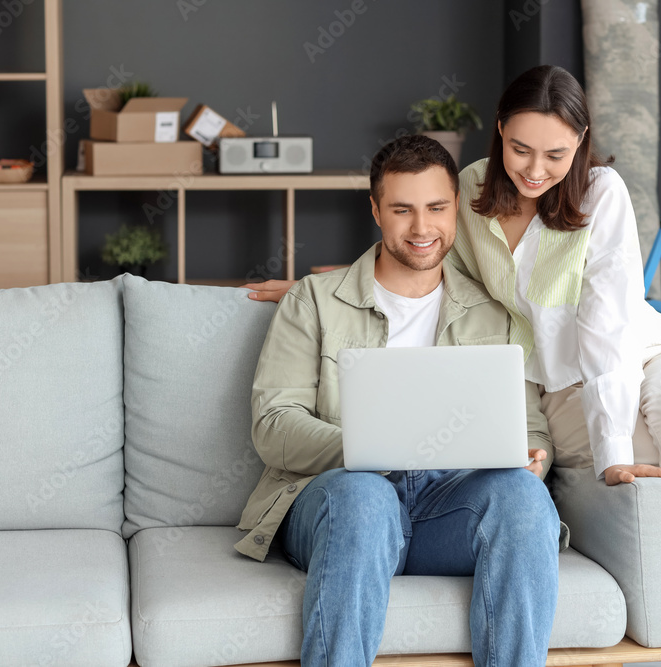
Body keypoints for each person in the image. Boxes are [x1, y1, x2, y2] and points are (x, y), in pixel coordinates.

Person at [243, 66, 661, 667]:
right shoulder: (447, 210)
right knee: (367, 500)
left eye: (554, 153)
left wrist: (552, 456)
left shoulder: (583, 211)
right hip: (375, 482)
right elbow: (276, 423)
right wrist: (370, 438)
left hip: (620, 362)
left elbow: (590, 349)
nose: (534, 168)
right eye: (521, 148)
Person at [234, 134, 561, 667]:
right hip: (339, 500)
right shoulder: (314, 301)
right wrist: (367, 449)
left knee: (524, 500)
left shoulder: (493, 314)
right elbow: (274, 425)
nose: (422, 228)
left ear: (456, 207)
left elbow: (532, 431)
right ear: (376, 212)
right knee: (366, 497)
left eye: (436, 208)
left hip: (445, 509)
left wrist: (531, 459)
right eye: (402, 210)